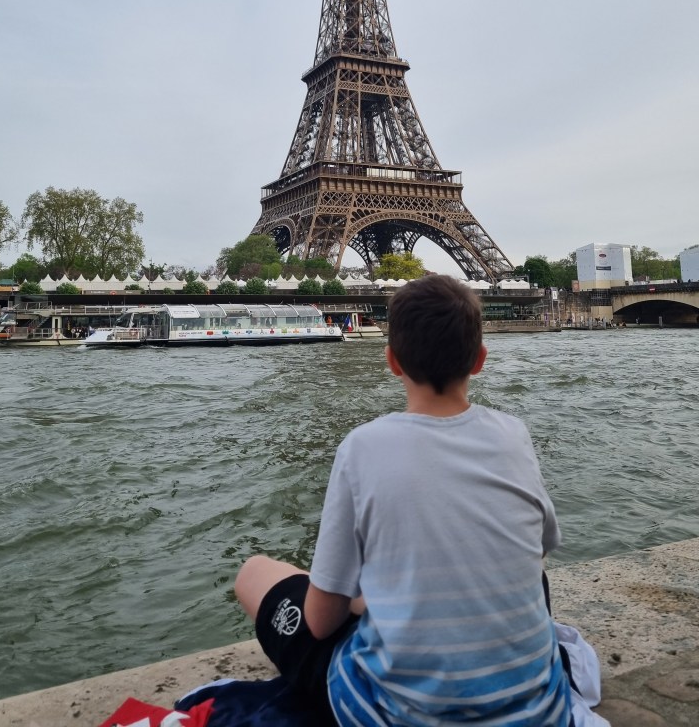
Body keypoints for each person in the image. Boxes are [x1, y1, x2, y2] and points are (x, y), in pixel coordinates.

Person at [234, 275, 573, 726]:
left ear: (392, 361)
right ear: (480, 360)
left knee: (256, 572)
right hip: (540, 711)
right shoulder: (514, 434)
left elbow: (319, 623)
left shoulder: (361, 447)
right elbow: (539, 551)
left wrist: (363, 597)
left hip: (394, 713)